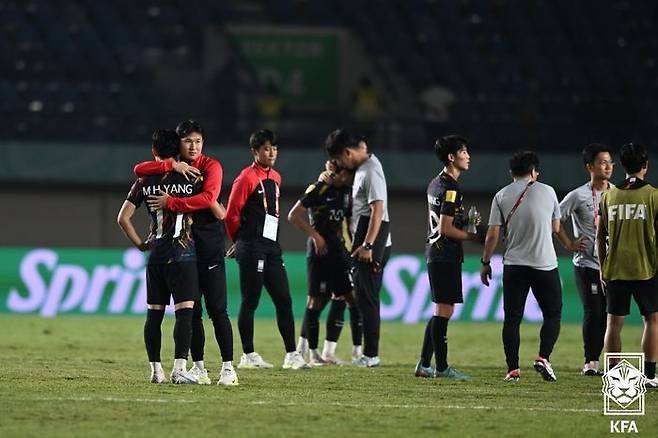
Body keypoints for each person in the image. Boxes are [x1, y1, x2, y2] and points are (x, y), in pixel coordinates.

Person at [133, 120, 238, 386]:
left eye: (198, 141)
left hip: (209, 244)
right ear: (179, 144)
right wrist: (172, 165)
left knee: (218, 310)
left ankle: (228, 368)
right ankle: (199, 367)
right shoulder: (176, 169)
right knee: (192, 312)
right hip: (186, 249)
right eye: (188, 141)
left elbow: (210, 200)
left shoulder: (210, 167)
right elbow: (139, 168)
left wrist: (172, 203)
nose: (193, 146)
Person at [117, 129, 201, 384]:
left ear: (154, 151)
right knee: (185, 313)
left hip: (156, 256)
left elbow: (122, 218)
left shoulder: (143, 181)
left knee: (154, 315)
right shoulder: (190, 176)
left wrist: (141, 244)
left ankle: (156, 371)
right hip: (183, 254)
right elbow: (208, 204)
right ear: (176, 150)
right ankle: (179, 369)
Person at [225, 129, 309, 370]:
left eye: (274, 148)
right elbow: (231, 214)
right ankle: (248, 355)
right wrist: (239, 241)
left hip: (272, 247)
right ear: (255, 151)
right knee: (250, 300)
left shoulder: (277, 177)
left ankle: (292, 355)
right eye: (266, 148)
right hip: (251, 247)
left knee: (284, 300)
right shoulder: (246, 178)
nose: (271, 152)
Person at [480, 151, 562, 382]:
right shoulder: (548, 191)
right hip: (545, 264)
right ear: (534, 171)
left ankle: (513, 370)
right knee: (553, 313)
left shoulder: (501, 195)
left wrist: (486, 262)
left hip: (514, 264)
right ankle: (543, 357)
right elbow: (556, 227)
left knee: (512, 318)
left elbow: (492, 234)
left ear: (511, 173)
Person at [325, 129, 392, 367]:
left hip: (371, 240)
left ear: (347, 152)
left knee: (368, 300)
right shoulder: (363, 168)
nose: (341, 164)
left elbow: (378, 210)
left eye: (341, 160)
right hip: (364, 238)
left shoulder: (372, 171)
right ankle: (368, 353)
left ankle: (371, 355)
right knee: (363, 298)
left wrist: (368, 245)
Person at [415, 135, 477, 380]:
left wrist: (464, 221)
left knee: (441, 309)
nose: (468, 155)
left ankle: (424, 364)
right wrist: (472, 236)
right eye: (463, 151)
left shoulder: (435, 183)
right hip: (444, 254)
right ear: (452, 157)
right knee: (444, 310)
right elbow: (445, 229)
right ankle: (441, 368)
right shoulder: (451, 188)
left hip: (437, 254)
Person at [288, 162, 363, 366]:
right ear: (336, 172)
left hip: (339, 253)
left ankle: (358, 353)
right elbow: (293, 215)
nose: (350, 178)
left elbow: (348, 223)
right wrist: (315, 236)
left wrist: (352, 248)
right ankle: (311, 353)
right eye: (347, 174)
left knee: (351, 299)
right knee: (315, 302)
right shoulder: (319, 188)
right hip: (319, 253)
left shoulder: (348, 192)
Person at [598, 142, 658, 388]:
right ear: (645, 166)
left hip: (615, 268)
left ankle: (613, 375)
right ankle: (651, 376)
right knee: (652, 320)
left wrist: (603, 267)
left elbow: (600, 236)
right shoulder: (653, 195)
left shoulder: (608, 196)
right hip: (646, 268)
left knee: (613, 323)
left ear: (621, 166)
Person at [556, 144, 614, 376]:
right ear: (590, 166)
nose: (608, 166)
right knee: (593, 311)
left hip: (612, 266)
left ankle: (612, 363)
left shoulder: (617, 193)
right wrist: (569, 244)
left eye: (610, 162)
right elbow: (556, 218)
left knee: (611, 314)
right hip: (587, 265)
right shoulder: (578, 195)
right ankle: (591, 361)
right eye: (602, 162)